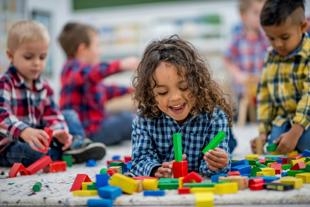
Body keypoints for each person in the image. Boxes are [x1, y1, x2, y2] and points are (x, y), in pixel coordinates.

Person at [0, 21, 105, 167]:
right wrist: (24, 131)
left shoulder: (44, 85)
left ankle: (74, 144)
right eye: (29, 57)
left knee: (69, 115)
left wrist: (59, 131)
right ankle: (64, 153)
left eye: (42, 57)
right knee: (34, 152)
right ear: (10, 56)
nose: (37, 63)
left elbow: (52, 113)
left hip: (40, 137)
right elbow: (1, 115)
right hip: (10, 146)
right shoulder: (5, 83)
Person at [130, 35, 234, 177]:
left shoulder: (214, 116)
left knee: (230, 146)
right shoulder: (144, 119)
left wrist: (217, 163)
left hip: (212, 125)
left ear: (197, 82)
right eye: (163, 92)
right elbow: (140, 159)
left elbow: (210, 170)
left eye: (184, 87)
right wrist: (156, 170)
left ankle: (232, 141)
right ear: (150, 94)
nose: (175, 98)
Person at [58, 22, 139, 146]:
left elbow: (105, 90)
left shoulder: (84, 75)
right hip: (89, 133)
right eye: (97, 46)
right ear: (82, 49)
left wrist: (132, 90)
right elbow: (93, 73)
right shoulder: (72, 69)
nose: (100, 51)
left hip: (97, 127)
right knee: (130, 120)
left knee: (127, 116)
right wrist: (121, 65)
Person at [251, 0, 309, 154]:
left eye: (284, 37)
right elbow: (265, 97)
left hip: (306, 120)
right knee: (273, 144)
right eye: (271, 38)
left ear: (303, 27)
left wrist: (296, 131)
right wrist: (263, 134)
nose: (278, 44)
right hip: (284, 119)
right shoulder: (270, 56)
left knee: (304, 142)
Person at [224, 0, 268, 121]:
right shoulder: (238, 37)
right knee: (241, 103)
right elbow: (227, 59)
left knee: (266, 100)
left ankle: (261, 115)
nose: (261, 17)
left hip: (262, 83)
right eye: (256, 13)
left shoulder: (265, 38)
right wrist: (238, 75)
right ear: (243, 15)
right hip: (245, 85)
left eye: (263, 12)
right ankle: (244, 115)